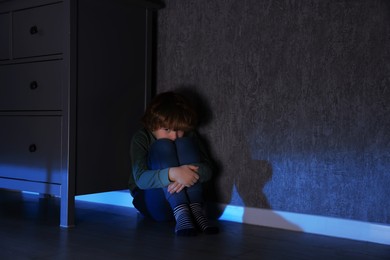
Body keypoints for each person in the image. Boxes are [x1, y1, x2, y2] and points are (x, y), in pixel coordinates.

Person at [128, 91, 219, 236]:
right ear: (152, 125)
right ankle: (181, 211)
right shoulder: (141, 138)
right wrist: (174, 174)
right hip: (155, 203)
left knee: (185, 143)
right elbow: (140, 180)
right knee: (162, 146)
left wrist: (187, 175)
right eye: (167, 129)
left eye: (179, 130)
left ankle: (196, 212)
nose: (174, 136)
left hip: (192, 204)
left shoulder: (189, 135)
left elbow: (209, 170)